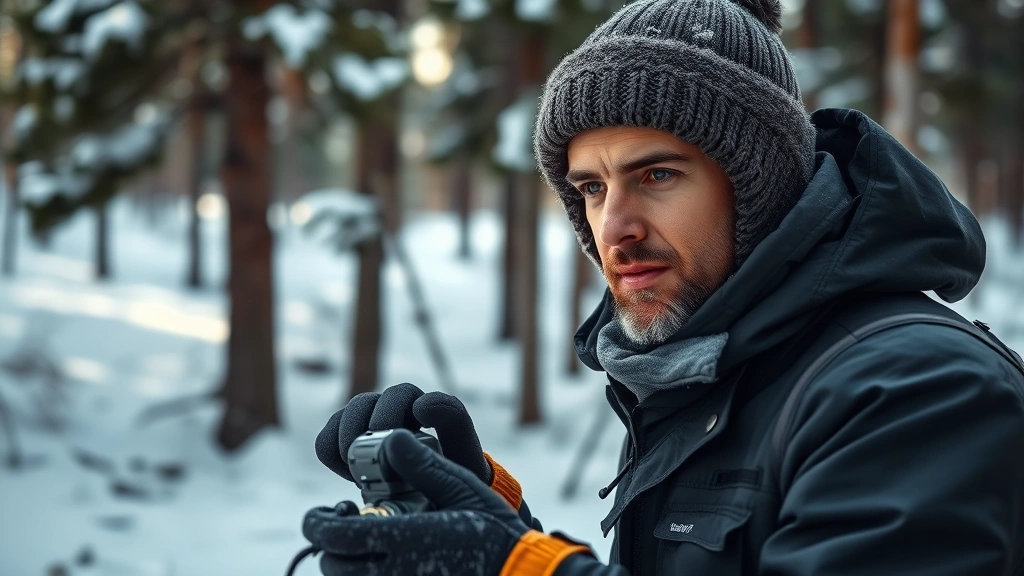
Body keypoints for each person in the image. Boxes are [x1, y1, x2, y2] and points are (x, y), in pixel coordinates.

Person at [299, 0, 1024, 574]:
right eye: (590, 187)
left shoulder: (915, 390)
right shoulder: (711, 373)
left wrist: (519, 572)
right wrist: (489, 522)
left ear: (758, 184)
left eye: (657, 175)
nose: (614, 226)